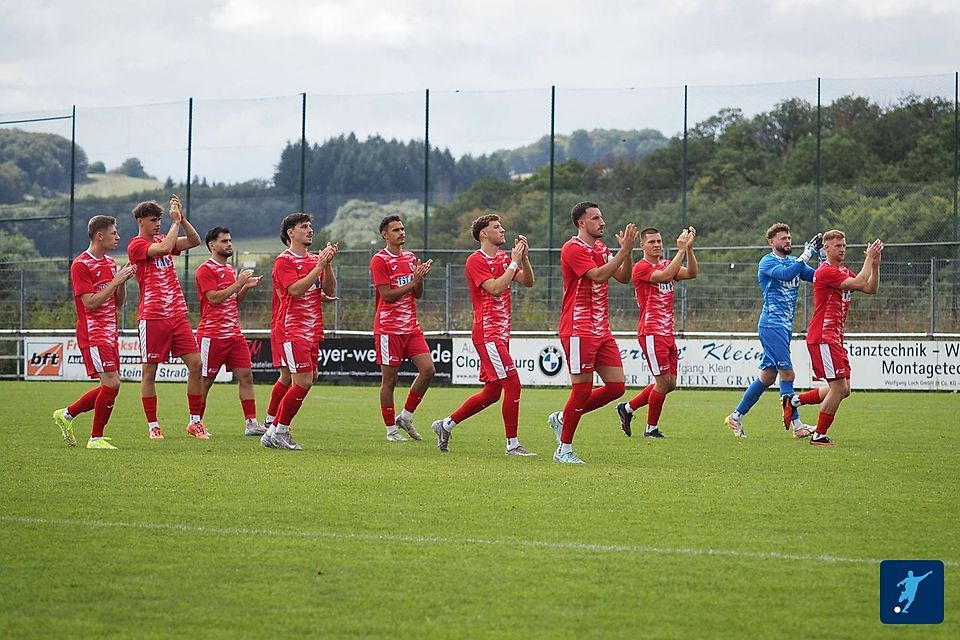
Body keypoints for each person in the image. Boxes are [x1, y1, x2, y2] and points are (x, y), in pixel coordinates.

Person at [431, 214, 536, 456]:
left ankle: (445, 425)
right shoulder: (474, 261)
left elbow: (528, 282)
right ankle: (512, 445)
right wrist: (514, 263)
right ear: (483, 234)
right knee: (513, 385)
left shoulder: (502, 258)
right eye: (496, 227)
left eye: (501, 226)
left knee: (491, 393)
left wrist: (524, 260)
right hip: (488, 334)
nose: (502, 230)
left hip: (501, 334)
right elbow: (496, 289)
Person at [547, 202, 637, 464]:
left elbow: (622, 277)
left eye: (602, 217)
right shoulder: (572, 248)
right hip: (578, 329)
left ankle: (563, 418)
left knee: (616, 387)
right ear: (581, 223)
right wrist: (624, 250)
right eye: (596, 218)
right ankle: (563, 449)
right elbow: (597, 276)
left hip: (601, 329)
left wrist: (627, 253)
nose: (602, 222)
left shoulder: (601, 248)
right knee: (582, 390)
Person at [723, 224, 823, 438]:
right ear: (772, 242)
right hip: (771, 325)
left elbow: (818, 278)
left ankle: (736, 416)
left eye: (789, 237)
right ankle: (797, 426)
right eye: (783, 238)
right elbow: (786, 275)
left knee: (768, 377)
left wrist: (823, 256)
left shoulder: (794, 262)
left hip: (784, 327)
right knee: (788, 373)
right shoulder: (768, 262)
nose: (788, 241)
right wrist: (808, 253)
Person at [786, 230, 883, 447]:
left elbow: (870, 288)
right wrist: (868, 257)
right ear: (826, 249)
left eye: (844, 245)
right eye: (837, 245)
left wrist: (875, 264)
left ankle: (794, 401)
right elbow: (859, 282)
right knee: (838, 388)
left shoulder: (842, 270)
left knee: (843, 389)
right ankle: (819, 435)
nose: (842, 248)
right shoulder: (825, 271)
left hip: (834, 338)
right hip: (823, 337)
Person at [53, 216, 136, 449]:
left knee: (109, 386)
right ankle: (95, 438)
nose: (118, 237)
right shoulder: (81, 265)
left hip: (110, 332)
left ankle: (67, 415)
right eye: (114, 233)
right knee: (112, 384)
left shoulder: (110, 263)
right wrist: (115, 281)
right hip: (93, 333)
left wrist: (122, 282)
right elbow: (90, 303)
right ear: (100, 236)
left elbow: (117, 302)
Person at [127, 195, 205, 440]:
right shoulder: (136, 245)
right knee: (150, 371)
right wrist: (173, 225)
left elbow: (194, 240)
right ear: (141, 222)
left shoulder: (166, 236)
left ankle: (195, 422)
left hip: (177, 314)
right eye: (153, 220)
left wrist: (181, 219)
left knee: (196, 365)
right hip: (152, 317)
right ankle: (153, 425)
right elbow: (160, 249)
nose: (157, 224)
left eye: (160, 219)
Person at [260, 213, 338, 450]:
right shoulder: (284, 261)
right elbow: (295, 290)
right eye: (304, 226)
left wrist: (328, 264)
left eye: (311, 226)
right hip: (292, 330)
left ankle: (271, 432)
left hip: (312, 330)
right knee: (301, 380)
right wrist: (319, 267)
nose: (310, 230)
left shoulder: (315, 259)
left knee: (309, 378)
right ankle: (280, 429)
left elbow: (328, 287)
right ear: (290, 233)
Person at [616, 226, 698, 439]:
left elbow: (691, 273)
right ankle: (650, 428)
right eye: (651, 242)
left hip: (667, 332)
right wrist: (680, 252)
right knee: (662, 382)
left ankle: (628, 408)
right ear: (642, 245)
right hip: (651, 332)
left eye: (659, 241)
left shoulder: (665, 263)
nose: (657, 245)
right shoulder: (641, 267)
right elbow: (665, 276)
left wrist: (688, 249)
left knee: (670, 383)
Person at [370, 215, 434, 442]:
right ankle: (390, 430)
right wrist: (413, 282)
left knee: (428, 370)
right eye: (396, 230)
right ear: (385, 234)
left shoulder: (410, 258)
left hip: (411, 328)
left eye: (403, 229)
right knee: (389, 381)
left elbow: (417, 294)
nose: (401, 233)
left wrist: (420, 279)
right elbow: (386, 296)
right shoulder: (380, 260)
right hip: (389, 329)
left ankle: (405, 416)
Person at [195, 226, 264, 436]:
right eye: (224, 241)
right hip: (212, 335)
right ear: (212, 245)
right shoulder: (205, 269)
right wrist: (239, 283)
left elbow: (232, 302)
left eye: (230, 240)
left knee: (246, 376)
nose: (229, 244)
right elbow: (214, 298)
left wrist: (244, 288)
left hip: (234, 334)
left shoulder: (229, 270)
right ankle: (196, 421)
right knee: (206, 381)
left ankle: (251, 423)